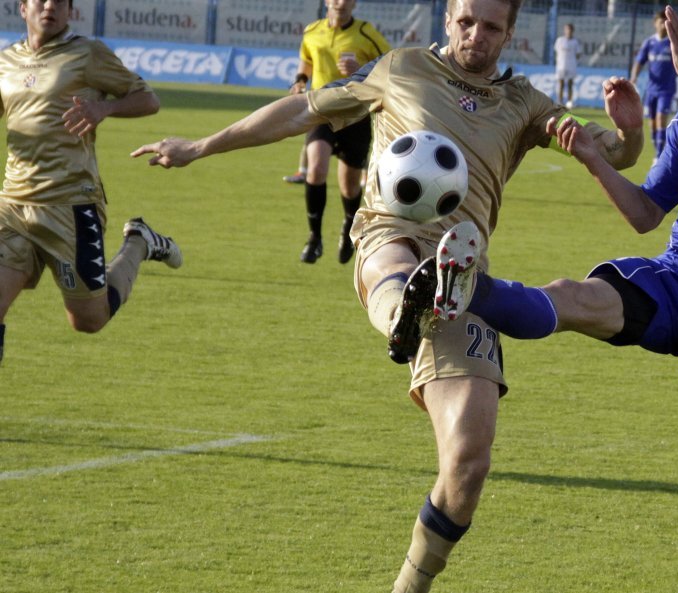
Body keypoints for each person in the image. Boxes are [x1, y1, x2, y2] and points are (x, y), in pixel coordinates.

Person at [130, 0, 643, 591]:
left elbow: (613, 153)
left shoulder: (527, 104)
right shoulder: (398, 68)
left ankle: (409, 586)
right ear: (449, 18)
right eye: (467, 21)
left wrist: (629, 129)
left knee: (469, 464)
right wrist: (201, 146)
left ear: (510, 33)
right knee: (394, 270)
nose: (477, 35)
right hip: (390, 232)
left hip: (462, 271)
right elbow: (301, 110)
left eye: (492, 26)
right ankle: (405, 311)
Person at [408, 1, 678, 591]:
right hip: (677, 281)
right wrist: (593, 160)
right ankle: (457, 287)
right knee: (577, 299)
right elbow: (643, 214)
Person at [0, 0, 181, 366]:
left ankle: (138, 242)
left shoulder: (88, 54)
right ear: (22, 8)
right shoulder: (6, 61)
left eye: (59, 2)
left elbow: (148, 99)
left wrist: (104, 109)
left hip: (70, 203)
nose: (48, 5)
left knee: (88, 320)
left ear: (70, 12)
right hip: (13, 204)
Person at [289, 0, 390, 264]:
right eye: (335, 0)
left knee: (348, 185)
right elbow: (307, 61)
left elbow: (390, 67)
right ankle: (314, 238)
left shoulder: (366, 33)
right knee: (316, 169)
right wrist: (300, 80)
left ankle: (348, 228)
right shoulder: (312, 30)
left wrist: (360, 72)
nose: (340, 4)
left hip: (354, 113)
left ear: (354, 4)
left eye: (346, 0)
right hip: (321, 110)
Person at [630, 11, 678, 163]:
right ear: (655, 23)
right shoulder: (649, 43)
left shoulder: (672, 43)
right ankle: (658, 150)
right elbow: (639, 62)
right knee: (652, 123)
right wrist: (634, 77)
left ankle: (658, 155)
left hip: (666, 89)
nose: (663, 23)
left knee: (661, 119)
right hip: (651, 90)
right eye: (660, 20)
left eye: (665, 20)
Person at [553, 22, 580, 109]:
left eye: (570, 29)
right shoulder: (560, 40)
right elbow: (556, 52)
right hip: (561, 65)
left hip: (571, 65)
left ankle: (569, 102)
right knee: (561, 83)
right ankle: (560, 102)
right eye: (567, 29)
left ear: (573, 31)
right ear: (564, 30)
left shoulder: (575, 42)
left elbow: (578, 54)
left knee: (570, 83)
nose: (568, 31)